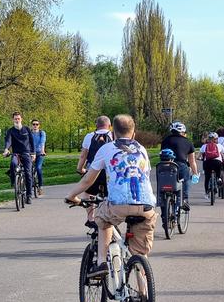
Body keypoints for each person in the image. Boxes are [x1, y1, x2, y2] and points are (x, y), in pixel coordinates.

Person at [65, 114, 157, 279]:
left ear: (112, 133)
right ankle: (144, 294)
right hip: (147, 206)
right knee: (140, 254)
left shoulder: (107, 148)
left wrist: (72, 196)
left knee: (101, 218)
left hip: (119, 204)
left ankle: (101, 262)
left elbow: (88, 180)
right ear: (134, 133)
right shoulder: (142, 149)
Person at [77, 116, 113, 222]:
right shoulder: (113, 135)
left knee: (88, 193)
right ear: (109, 126)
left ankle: (90, 218)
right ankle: (109, 217)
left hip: (93, 171)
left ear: (96, 126)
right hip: (108, 172)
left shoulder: (89, 136)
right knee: (110, 194)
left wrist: (80, 169)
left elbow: (83, 155)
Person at [160, 121, 199, 210]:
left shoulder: (165, 140)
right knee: (186, 179)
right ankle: (184, 199)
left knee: (164, 186)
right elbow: (192, 161)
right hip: (180, 166)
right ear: (183, 132)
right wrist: (195, 173)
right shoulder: (188, 142)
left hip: (165, 166)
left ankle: (163, 201)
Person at [2, 112, 35, 204]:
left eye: (18, 118)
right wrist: (6, 150)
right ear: (13, 120)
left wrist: (33, 153)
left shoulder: (27, 129)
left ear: (21, 119)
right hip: (16, 153)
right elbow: (8, 141)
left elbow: (31, 142)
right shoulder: (11, 131)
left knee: (28, 173)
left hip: (26, 153)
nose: (17, 120)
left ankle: (29, 195)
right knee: (13, 163)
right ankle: (14, 182)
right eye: (15, 119)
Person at [200, 132, 224, 199]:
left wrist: (199, 158)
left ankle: (206, 193)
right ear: (216, 139)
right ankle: (219, 178)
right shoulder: (220, 146)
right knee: (219, 171)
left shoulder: (204, 146)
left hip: (207, 162)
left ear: (208, 139)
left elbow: (199, 156)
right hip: (217, 162)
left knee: (207, 178)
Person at [31, 119, 46, 196]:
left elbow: (42, 142)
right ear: (31, 125)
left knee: (38, 168)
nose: (35, 126)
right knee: (28, 169)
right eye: (34, 124)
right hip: (30, 153)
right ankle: (29, 185)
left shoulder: (42, 133)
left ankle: (40, 187)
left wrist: (42, 151)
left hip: (40, 153)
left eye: (37, 124)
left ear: (39, 125)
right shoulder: (29, 133)